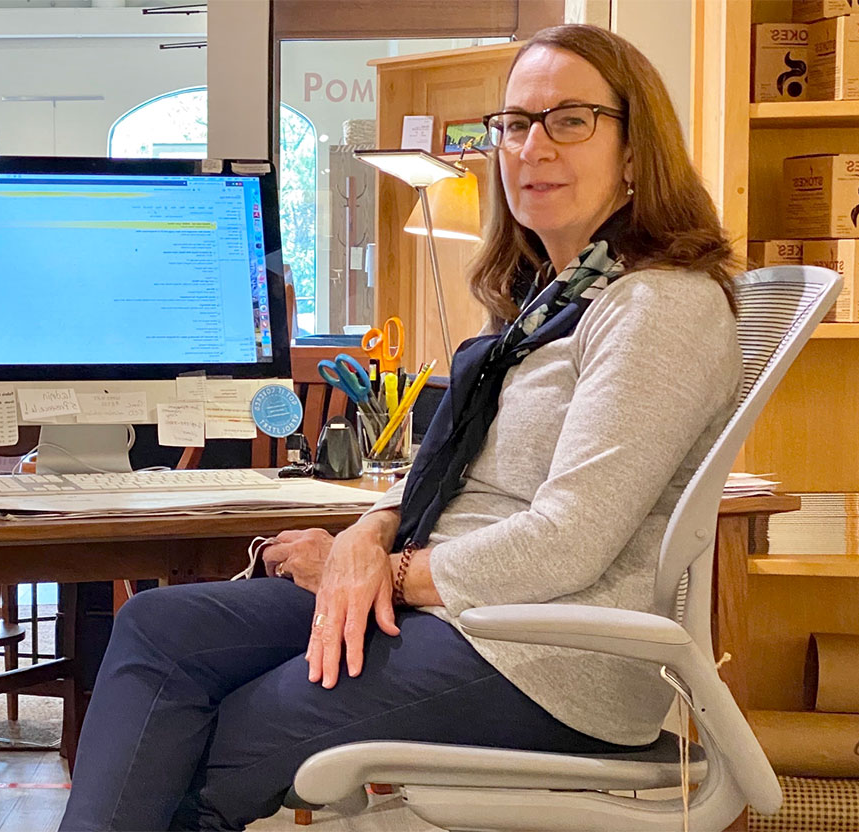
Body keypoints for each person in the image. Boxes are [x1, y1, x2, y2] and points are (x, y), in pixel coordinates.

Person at [58, 23, 742, 832]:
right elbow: (456, 485)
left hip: (544, 658)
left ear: (636, 151)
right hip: (455, 612)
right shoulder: (552, 300)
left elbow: (570, 539)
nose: (531, 147)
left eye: (570, 120)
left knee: (222, 740)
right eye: (516, 124)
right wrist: (364, 537)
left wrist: (389, 573)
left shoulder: (659, 304)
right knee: (157, 630)